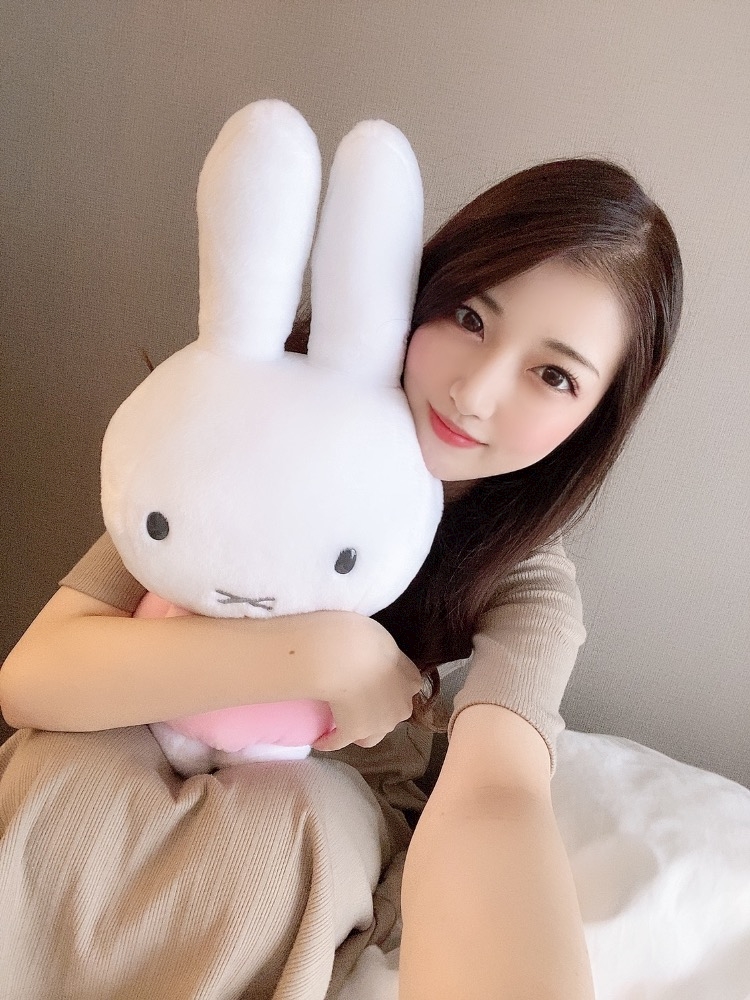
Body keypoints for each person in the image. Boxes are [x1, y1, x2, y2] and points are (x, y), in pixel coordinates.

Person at [0, 156, 682, 1000]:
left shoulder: (527, 575)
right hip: (143, 716)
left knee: (272, 845)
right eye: (470, 317)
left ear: (592, 419)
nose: (475, 393)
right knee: (63, 790)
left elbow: (497, 791)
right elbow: (35, 677)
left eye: (553, 375)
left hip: (317, 790)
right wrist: (325, 654)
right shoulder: (251, 420)